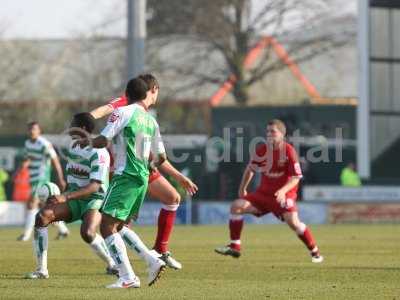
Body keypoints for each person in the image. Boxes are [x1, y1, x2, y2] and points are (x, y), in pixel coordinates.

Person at [90, 74, 198, 270]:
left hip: (136, 167)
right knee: (117, 223)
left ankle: (154, 255)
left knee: (170, 198)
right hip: (124, 168)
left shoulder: (145, 115)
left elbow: (149, 154)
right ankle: (130, 264)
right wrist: (86, 120)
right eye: (156, 91)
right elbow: (102, 111)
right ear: (152, 90)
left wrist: (179, 177)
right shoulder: (126, 107)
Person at [75, 78, 169, 288]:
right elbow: (161, 157)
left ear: (127, 95)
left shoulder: (123, 112)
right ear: (147, 93)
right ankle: (152, 260)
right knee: (119, 225)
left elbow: (103, 140)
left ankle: (127, 277)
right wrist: (148, 162)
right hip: (142, 179)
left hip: (125, 176)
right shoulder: (151, 120)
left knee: (107, 226)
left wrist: (86, 140)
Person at [215, 119, 323, 263]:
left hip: (283, 195)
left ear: (282, 134)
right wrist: (243, 188)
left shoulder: (289, 151)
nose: (269, 134)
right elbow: (250, 169)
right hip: (263, 195)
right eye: (267, 132)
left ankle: (314, 252)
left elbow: (296, 178)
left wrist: (283, 191)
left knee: (293, 222)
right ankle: (235, 246)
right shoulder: (262, 150)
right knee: (237, 206)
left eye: (273, 131)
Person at [25, 113, 118, 279]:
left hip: (94, 199)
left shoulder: (99, 152)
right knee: (42, 217)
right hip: (73, 197)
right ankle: (41, 270)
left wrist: (65, 197)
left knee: (88, 233)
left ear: (82, 128)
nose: (69, 128)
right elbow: (74, 176)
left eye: (72, 124)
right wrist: (61, 192)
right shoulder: (74, 146)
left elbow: (94, 185)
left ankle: (112, 264)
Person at [17, 122, 69, 241]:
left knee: (31, 204)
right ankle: (63, 230)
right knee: (45, 207)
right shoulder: (27, 143)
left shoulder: (43, 143)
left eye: (34, 129)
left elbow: (55, 160)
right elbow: (28, 158)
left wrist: (60, 178)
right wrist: (20, 169)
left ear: (39, 131)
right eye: (30, 129)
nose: (32, 131)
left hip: (42, 177)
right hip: (33, 177)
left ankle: (26, 235)